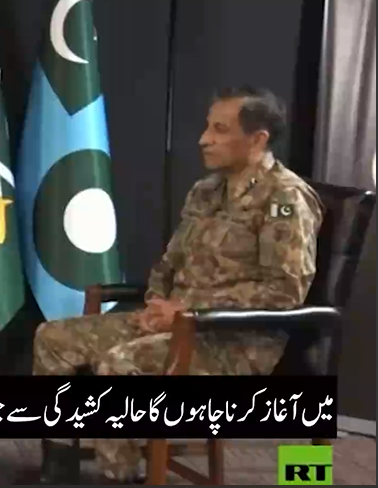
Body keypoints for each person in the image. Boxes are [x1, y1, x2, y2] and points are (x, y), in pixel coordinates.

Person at [32, 85, 324, 483]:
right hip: (175, 324)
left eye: (220, 130)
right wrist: (156, 305)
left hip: (235, 341)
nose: (204, 139)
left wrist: (188, 311)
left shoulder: (285, 198)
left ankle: (118, 476)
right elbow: (168, 266)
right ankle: (60, 464)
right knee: (52, 338)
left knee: (120, 364)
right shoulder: (205, 191)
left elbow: (284, 291)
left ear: (257, 140)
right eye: (207, 126)